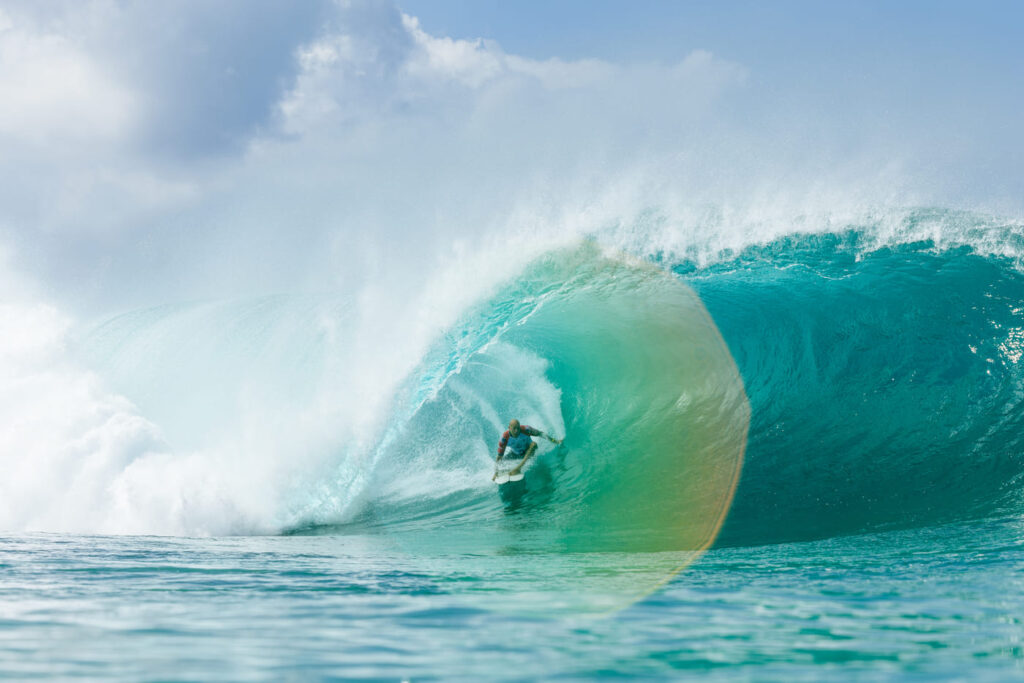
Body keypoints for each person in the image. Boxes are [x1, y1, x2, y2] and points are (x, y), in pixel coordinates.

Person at [493, 418, 562, 481]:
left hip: (528, 452)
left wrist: (555, 441)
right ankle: (500, 473)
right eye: (514, 428)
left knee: (533, 444)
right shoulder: (504, 438)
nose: (516, 430)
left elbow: (540, 433)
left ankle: (518, 468)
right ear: (509, 428)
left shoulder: (526, 429)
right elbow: (499, 456)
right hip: (515, 454)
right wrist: (495, 473)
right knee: (501, 464)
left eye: (518, 428)